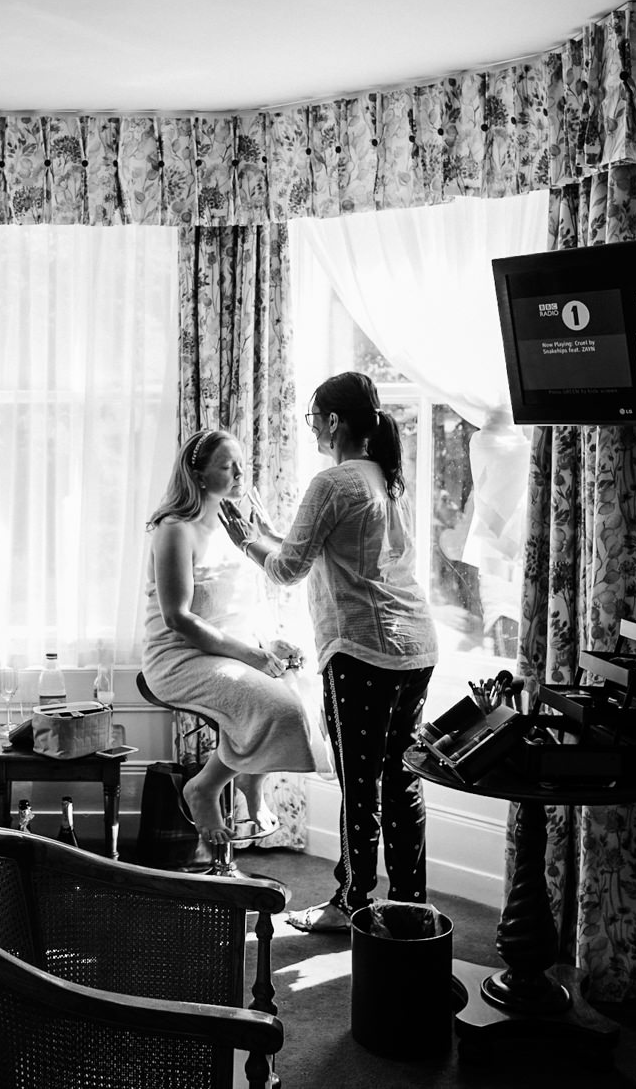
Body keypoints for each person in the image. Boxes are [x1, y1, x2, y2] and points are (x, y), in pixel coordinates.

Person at [220, 372, 439, 932]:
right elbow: (308, 550)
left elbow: (289, 568)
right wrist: (266, 531)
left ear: (334, 421)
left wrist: (247, 541)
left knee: (359, 782)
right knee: (401, 776)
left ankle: (351, 903)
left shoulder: (332, 482)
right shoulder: (387, 477)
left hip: (363, 649)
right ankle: (408, 903)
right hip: (414, 646)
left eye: (314, 416)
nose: (311, 426)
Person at [142, 428, 317, 845]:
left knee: (299, 691)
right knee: (280, 710)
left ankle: (250, 784)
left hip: (227, 651)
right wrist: (250, 656)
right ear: (199, 475)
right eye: (227, 466)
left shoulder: (234, 526)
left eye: (242, 464)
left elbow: (236, 608)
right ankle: (205, 786)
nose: (240, 473)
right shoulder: (174, 530)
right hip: (180, 657)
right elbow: (178, 619)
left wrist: (267, 645)